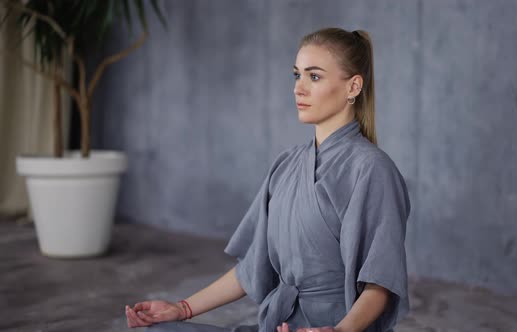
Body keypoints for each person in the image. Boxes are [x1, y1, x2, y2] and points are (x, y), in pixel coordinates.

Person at [125, 27, 411, 332]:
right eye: (296, 75)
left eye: (314, 77)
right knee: (157, 330)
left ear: (353, 86)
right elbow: (252, 268)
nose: (298, 88)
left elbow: (380, 283)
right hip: (280, 325)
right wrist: (181, 309)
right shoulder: (286, 165)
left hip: (339, 327)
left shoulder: (372, 169)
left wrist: (340, 331)